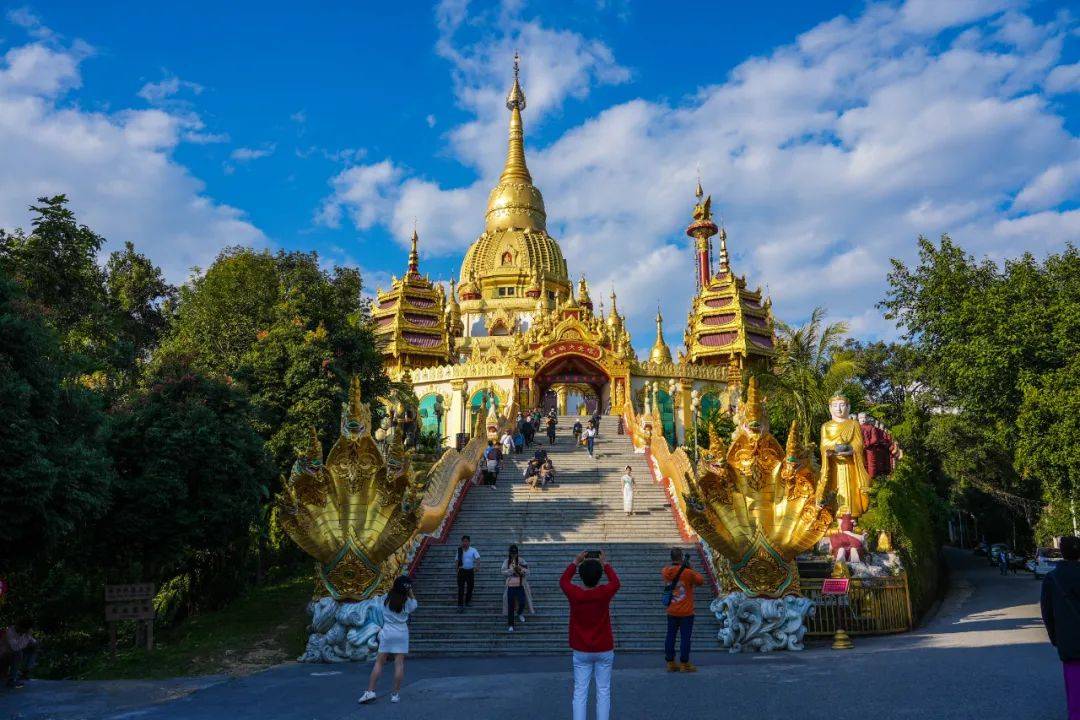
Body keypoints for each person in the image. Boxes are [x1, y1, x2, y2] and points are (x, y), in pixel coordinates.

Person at [560, 551, 620, 720]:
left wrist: (575, 561)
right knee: (603, 690)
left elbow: (563, 581)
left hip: (581, 648)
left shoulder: (575, 594)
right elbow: (616, 582)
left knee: (580, 691)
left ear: (581, 576)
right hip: (604, 647)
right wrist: (606, 564)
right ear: (599, 576)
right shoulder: (603, 593)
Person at [359, 577, 417, 705]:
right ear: (407, 588)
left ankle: (370, 691)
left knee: (379, 663)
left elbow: (378, 607)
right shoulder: (408, 602)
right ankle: (395, 694)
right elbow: (414, 603)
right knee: (399, 664)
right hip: (402, 633)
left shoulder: (386, 598)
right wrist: (410, 591)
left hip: (388, 632)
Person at [1042, 535, 1080, 719]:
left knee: (1075, 697)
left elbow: (1047, 613)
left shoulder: (1052, 579)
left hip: (1070, 643)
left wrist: (1055, 638)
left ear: (1061, 552)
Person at [662, 548, 704, 672]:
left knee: (670, 636)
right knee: (685, 637)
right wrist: (691, 568)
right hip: (686, 612)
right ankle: (684, 663)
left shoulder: (665, 571)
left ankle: (670, 662)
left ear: (671, 558)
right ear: (681, 557)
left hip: (672, 610)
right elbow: (700, 581)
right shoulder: (688, 573)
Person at [502, 545, 534, 632]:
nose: (513, 555)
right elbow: (503, 571)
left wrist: (521, 570)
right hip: (511, 586)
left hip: (520, 585)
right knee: (510, 606)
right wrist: (511, 571)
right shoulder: (506, 561)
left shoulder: (521, 560)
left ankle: (519, 613)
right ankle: (511, 624)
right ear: (509, 553)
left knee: (523, 602)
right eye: (512, 553)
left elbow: (528, 570)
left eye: (515, 553)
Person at [0, 619, 37, 689]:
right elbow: (15, 648)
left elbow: (33, 642)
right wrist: (27, 637)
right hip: (2, 658)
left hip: (9, 657)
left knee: (33, 647)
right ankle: (12, 679)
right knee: (18, 653)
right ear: (20, 627)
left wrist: (33, 642)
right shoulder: (10, 631)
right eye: (25, 630)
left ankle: (25, 672)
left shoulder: (25, 632)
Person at [456, 536, 480, 612]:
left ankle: (467, 601)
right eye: (463, 541)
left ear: (469, 542)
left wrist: (477, 567)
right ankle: (460, 605)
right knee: (461, 588)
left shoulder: (473, 550)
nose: (465, 543)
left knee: (470, 587)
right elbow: (456, 560)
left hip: (470, 571)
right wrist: (456, 570)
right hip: (461, 571)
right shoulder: (459, 550)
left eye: (466, 541)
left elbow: (478, 558)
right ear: (462, 542)